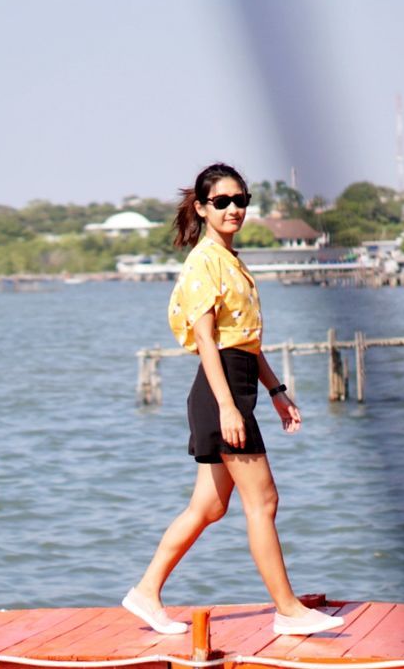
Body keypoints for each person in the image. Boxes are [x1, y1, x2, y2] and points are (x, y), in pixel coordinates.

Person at [122, 163, 343, 638]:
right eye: (221, 202)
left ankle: (145, 592)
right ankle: (287, 609)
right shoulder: (204, 260)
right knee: (263, 500)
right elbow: (207, 342)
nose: (233, 209)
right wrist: (227, 407)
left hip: (236, 385)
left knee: (209, 507)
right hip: (219, 393)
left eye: (240, 200)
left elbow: (245, 342)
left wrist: (277, 392)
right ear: (202, 208)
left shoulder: (231, 260)